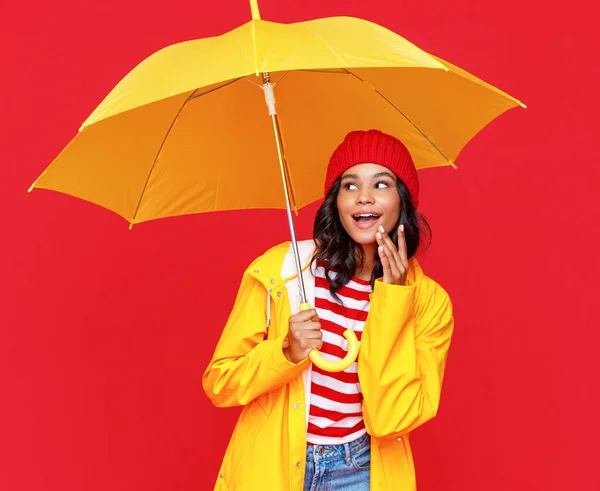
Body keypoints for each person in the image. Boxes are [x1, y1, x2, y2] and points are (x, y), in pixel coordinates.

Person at [202, 129, 454, 490]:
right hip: (273, 467)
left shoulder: (428, 303)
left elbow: (389, 419)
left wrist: (393, 301)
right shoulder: (283, 271)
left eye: (381, 184)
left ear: (403, 200)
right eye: (350, 186)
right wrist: (285, 352)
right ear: (335, 200)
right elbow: (220, 384)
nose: (364, 198)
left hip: (361, 471)